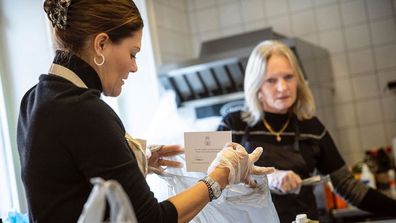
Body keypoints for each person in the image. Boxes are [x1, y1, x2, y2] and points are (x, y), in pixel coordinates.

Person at [16, 1, 275, 223]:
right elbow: (151, 220)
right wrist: (218, 179)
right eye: (132, 53)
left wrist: (135, 161)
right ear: (101, 44)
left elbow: (69, 184)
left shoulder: (35, 98)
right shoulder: (84, 110)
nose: (134, 67)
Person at [217, 40, 396, 222]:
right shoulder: (233, 125)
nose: (283, 87)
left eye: (288, 77)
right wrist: (268, 179)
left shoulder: (312, 128)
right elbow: (211, 182)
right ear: (257, 87)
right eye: (271, 80)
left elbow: (348, 186)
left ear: (298, 81)